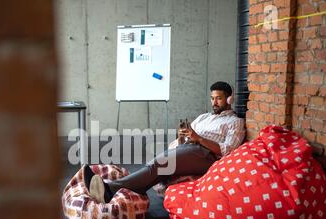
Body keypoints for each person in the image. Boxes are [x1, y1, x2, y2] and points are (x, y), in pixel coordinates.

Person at [84, 81, 246, 203]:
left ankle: (109, 188)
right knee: (158, 168)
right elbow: (187, 138)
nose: (214, 102)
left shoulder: (234, 122)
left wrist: (198, 139)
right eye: (212, 98)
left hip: (206, 155)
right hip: (189, 148)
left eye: (219, 98)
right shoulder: (205, 117)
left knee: (159, 165)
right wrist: (182, 135)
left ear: (229, 99)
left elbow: (228, 151)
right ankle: (120, 192)